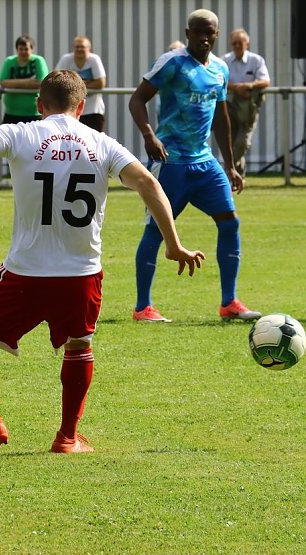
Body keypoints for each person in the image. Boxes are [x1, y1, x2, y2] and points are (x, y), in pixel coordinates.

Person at [0, 70, 205, 459]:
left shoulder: (22, 133)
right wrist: (173, 244)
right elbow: (148, 183)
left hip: (25, 271)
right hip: (81, 274)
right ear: (81, 106)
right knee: (80, 345)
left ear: (39, 105)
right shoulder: (102, 142)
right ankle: (67, 437)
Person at [130, 9, 260, 323]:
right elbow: (137, 100)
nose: (204, 38)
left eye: (210, 33)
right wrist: (149, 135)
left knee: (230, 222)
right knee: (156, 229)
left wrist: (230, 165)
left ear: (217, 35)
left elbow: (221, 117)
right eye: (198, 32)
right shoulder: (172, 62)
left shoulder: (220, 69)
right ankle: (142, 307)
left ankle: (229, 302)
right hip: (170, 161)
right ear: (188, 33)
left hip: (205, 163)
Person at [223, 29, 270, 177]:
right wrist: (237, 88)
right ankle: (238, 175)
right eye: (234, 43)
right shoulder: (224, 60)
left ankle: (226, 172)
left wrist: (249, 86)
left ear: (247, 44)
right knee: (230, 142)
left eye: (240, 43)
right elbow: (217, 80)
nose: (237, 46)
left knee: (243, 141)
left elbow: (265, 81)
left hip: (249, 108)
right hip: (229, 105)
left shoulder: (256, 60)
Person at [55, 36, 106, 132]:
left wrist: (73, 85)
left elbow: (100, 83)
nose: (79, 49)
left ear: (89, 48)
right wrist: (88, 83)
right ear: (73, 48)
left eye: (82, 47)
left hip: (93, 110)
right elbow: (57, 80)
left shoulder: (94, 59)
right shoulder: (66, 59)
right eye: (77, 47)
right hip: (70, 110)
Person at [0, 35, 48, 124]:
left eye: (26, 49)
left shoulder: (38, 61)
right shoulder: (9, 61)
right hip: (11, 113)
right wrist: (29, 82)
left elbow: (42, 82)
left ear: (31, 49)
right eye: (21, 49)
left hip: (34, 113)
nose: (23, 52)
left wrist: (14, 84)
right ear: (17, 49)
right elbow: (3, 82)